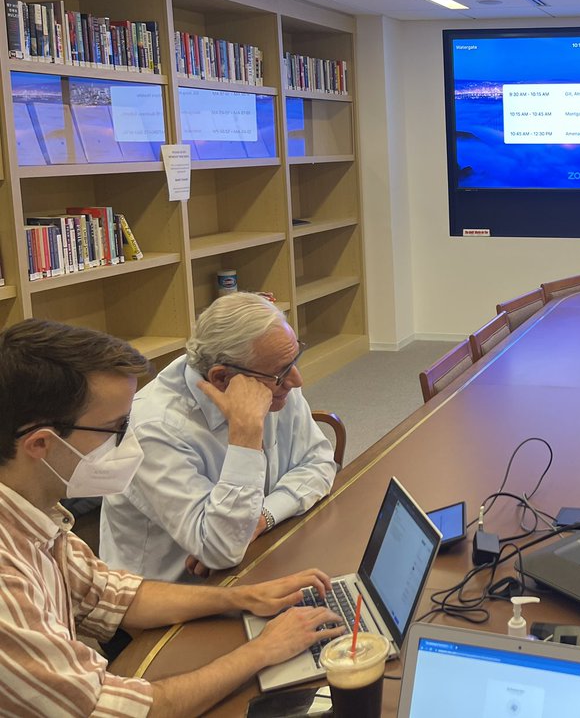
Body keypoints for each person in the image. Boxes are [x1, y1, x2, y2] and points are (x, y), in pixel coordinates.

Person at [0, 319, 344, 717]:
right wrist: (262, 650)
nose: (131, 438)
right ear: (41, 443)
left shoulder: (35, 514)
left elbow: (109, 592)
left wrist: (243, 597)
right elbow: (110, 710)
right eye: (117, 427)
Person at [101, 293, 336, 581]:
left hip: (253, 559)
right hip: (168, 600)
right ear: (221, 378)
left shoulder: (272, 377)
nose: (296, 380)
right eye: (282, 372)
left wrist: (262, 517)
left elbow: (320, 462)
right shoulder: (153, 428)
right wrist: (246, 436)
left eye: (294, 360)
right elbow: (220, 548)